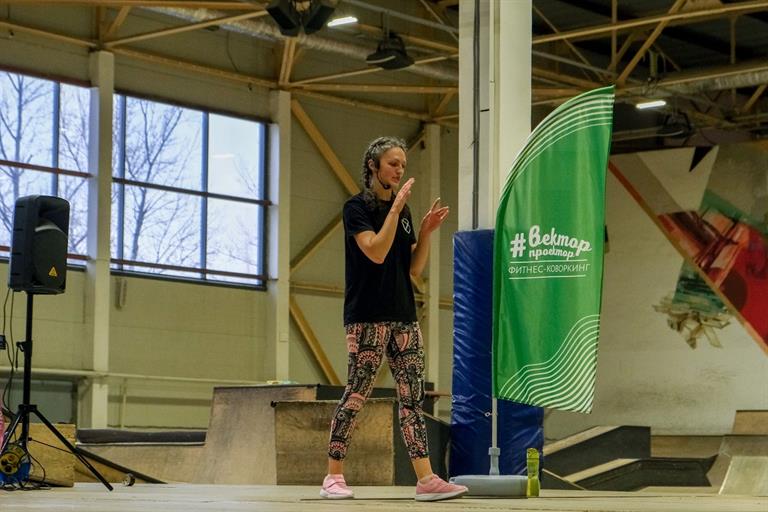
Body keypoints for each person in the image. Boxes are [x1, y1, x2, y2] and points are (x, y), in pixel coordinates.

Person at [319, 136, 468, 502]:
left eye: (403, 164)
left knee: (412, 398)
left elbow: (413, 269)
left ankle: (426, 479)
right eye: (393, 163)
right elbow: (375, 251)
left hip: (403, 316)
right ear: (373, 165)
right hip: (367, 317)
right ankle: (333, 476)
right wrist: (395, 209)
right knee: (357, 392)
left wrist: (426, 232)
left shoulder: (403, 213)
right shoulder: (355, 208)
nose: (400, 170)